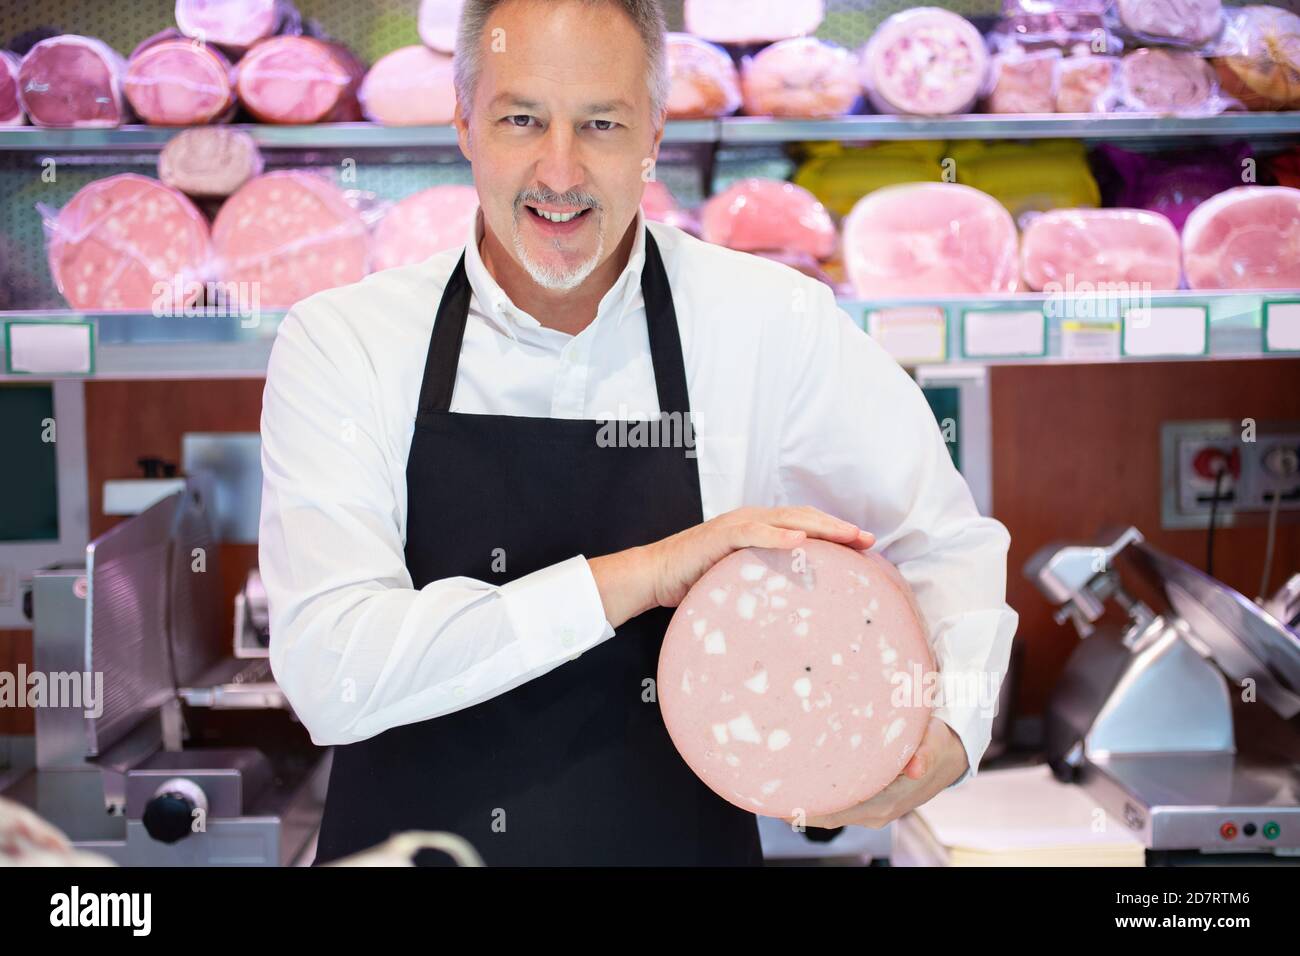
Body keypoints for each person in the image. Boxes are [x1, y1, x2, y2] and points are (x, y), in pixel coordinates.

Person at [259, 0, 1019, 866]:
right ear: (465, 123)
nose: (559, 170)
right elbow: (334, 674)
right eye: (521, 119)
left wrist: (955, 723)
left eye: (601, 123)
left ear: (654, 131)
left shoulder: (769, 323)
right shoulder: (347, 342)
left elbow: (942, 539)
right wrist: (647, 573)